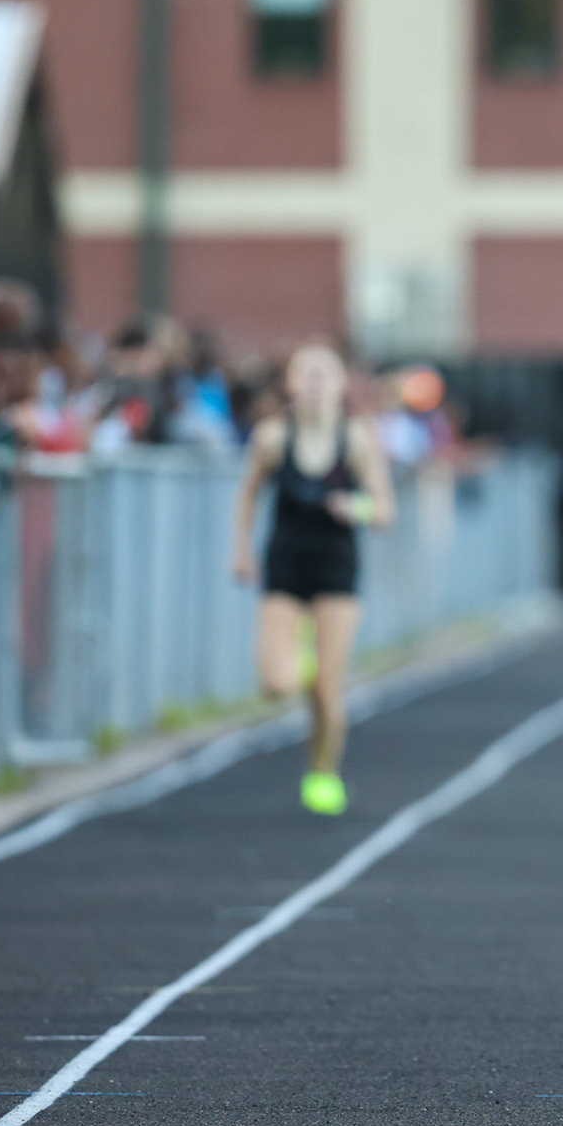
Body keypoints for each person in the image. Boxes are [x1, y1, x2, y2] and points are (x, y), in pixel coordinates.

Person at [232, 343, 394, 816]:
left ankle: (323, 771)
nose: (316, 382)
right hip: (285, 565)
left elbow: (385, 509)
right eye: (307, 373)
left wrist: (356, 507)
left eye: (326, 373)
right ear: (291, 383)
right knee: (277, 684)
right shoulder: (272, 438)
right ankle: (301, 655)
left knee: (326, 690)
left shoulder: (358, 439)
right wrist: (240, 551)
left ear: (342, 384)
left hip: (335, 567)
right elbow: (247, 494)